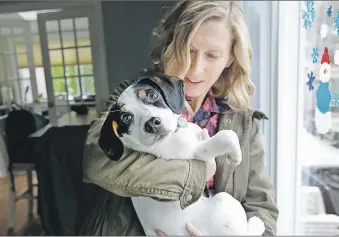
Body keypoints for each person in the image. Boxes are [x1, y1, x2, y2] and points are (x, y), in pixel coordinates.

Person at [81, 1, 279, 235]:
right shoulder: (130, 100)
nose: (195, 69)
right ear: (170, 46)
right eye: (188, 50)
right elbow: (97, 162)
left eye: (212, 55)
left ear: (229, 59)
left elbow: (262, 210)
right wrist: (194, 174)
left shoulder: (244, 124)